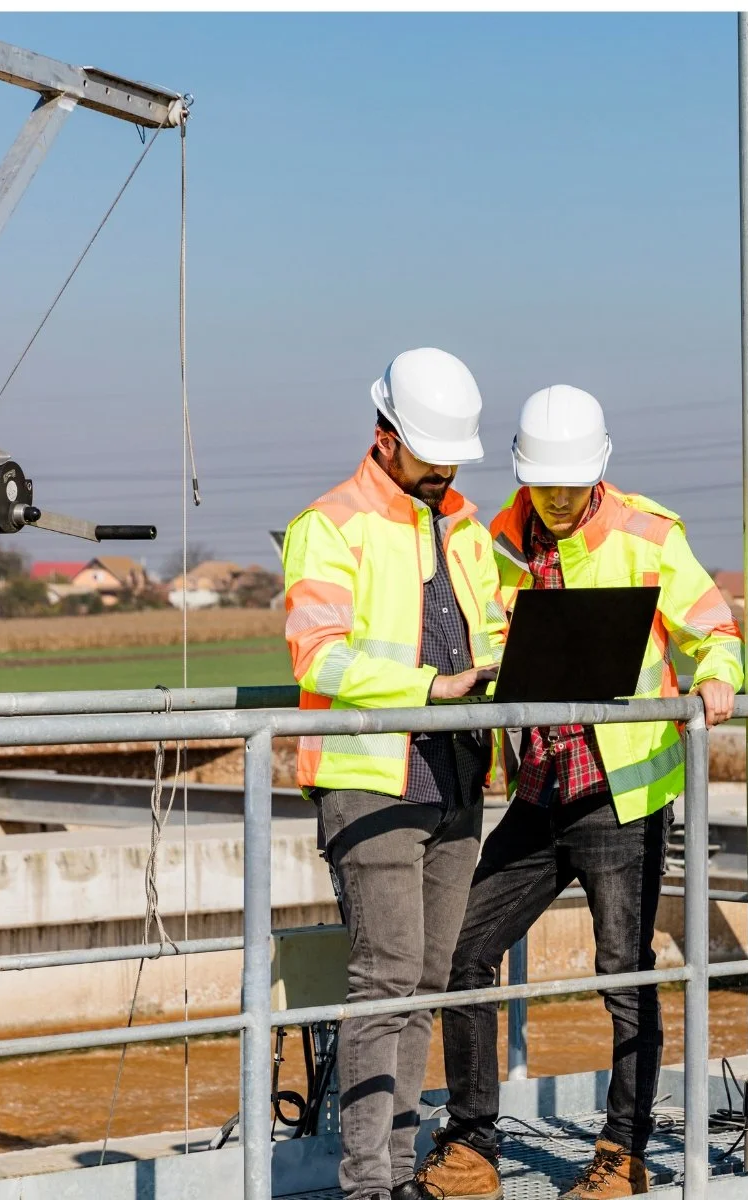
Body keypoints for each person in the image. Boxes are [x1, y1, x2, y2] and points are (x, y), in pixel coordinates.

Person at [416, 385, 744, 1200]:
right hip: (536, 791)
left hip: (619, 794)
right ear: (525, 476)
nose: (557, 502)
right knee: (464, 953)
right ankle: (472, 1146)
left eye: (569, 487)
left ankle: (622, 1155)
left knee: (623, 974)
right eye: (544, 487)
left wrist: (718, 677)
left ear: (597, 473)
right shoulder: (494, 538)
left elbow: (715, 627)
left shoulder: (647, 532)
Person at [281, 347, 507, 1200]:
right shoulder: (329, 524)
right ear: (385, 436)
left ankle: (403, 1173)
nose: (445, 468)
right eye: (430, 453)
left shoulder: (468, 525)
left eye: (453, 455)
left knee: (428, 981)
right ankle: (366, 1185)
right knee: (386, 978)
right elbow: (320, 658)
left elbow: (485, 635)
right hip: (372, 778)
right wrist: (425, 687)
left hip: (454, 777)